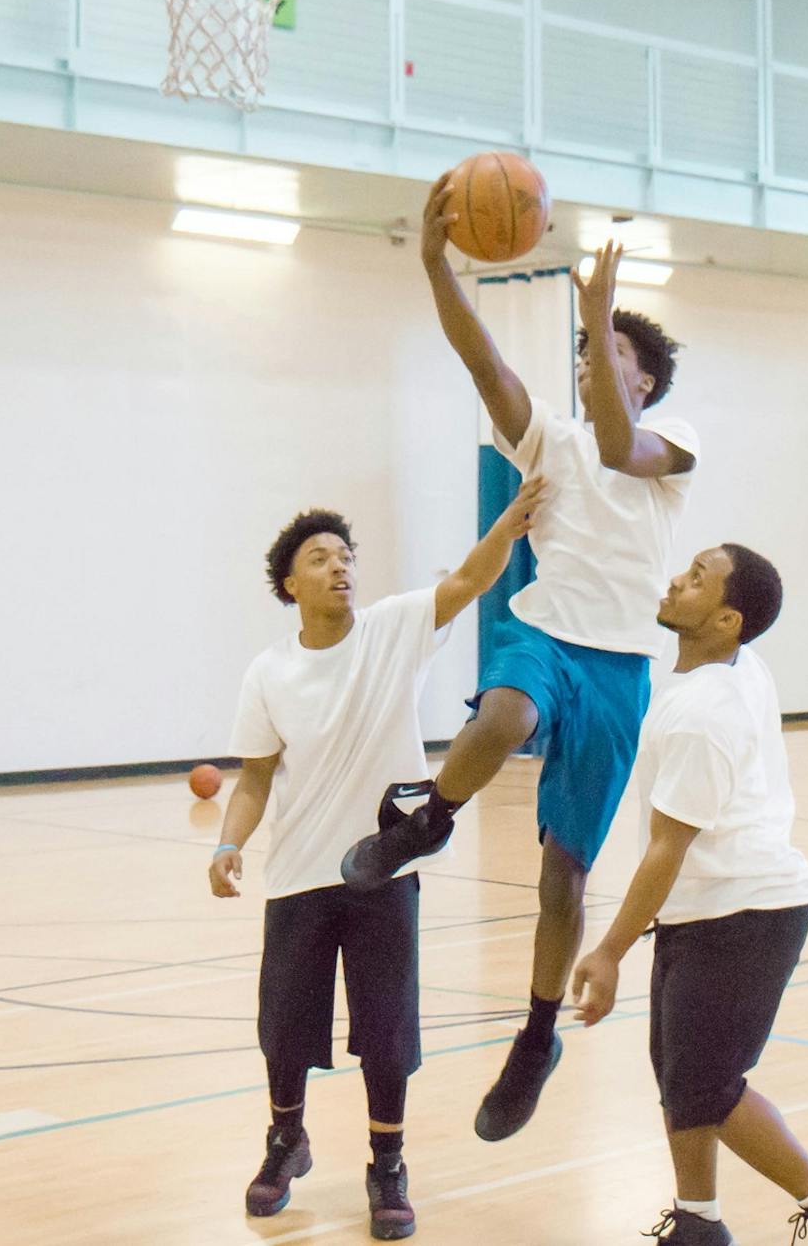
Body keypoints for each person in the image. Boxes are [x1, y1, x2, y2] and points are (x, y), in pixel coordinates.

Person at [340, 182, 699, 1145]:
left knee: (563, 882)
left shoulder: (670, 446)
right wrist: (434, 266)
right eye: (585, 356)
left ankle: (537, 1036)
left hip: (620, 669)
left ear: (648, 381)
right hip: (545, 637)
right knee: (500, 715)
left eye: (611, 356)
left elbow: (623, 443)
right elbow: (482, 361)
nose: (592, 366)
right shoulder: (550, 436)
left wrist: (592, 309)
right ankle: (429, 822)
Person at [211, 477, 549, 1238]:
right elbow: (256, 776)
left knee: (388, 1027)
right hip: (298, 873)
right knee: (285, 1024)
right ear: (289, 582)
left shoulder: (393, 627)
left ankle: (387, 1161)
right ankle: (285, 1139)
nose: (341, 566)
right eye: (321, 557)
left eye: (347, 555)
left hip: (383, 870)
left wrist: (510, 523)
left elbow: (467, 579)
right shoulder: (269, 671)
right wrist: (230, 842)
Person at [572, 545, 808, 1246]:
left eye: (697, 579)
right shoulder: (737, 662)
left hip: (746, 912)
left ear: (726, 618)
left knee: (708, 1084)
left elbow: (666, 847)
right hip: (707, 906)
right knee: (679, 1073)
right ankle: (698, 1220)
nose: (678, 579)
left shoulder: (703, 716)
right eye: (686, 567)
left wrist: (609, 950)